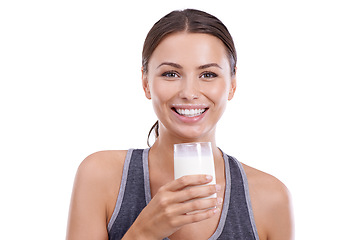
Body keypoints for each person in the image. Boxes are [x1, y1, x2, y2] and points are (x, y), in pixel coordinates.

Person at [66, 9, 294, 240]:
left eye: (208, 75)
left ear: (232, 84)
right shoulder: (101, 176)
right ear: (145, 83)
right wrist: (143, 233)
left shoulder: (270, 198)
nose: (189, 93)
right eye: (171, 74)